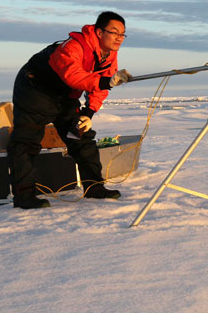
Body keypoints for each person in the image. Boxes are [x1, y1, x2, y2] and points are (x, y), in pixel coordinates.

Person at [8, 11, 132, 209]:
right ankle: (24, 197)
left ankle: (94, 188)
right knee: (26, 141)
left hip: (65, 96)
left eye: (123, 34)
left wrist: (88, 113)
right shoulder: (74, 46)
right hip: (35, 89)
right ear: (99, 32)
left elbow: (102, 87)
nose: (119, 38)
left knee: (81, 137)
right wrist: (105, 81)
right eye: (114, 32)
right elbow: (73, 76)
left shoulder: (109, 56)